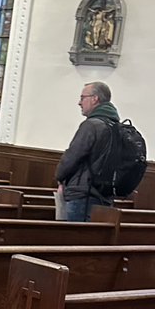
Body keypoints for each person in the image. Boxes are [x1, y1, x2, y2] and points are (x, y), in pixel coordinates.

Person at [55, 81, 120, 221]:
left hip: (83, 196)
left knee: (75, 240)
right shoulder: (116, 127)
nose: (79, 102)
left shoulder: (91, 125)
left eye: (82, 97)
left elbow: (72, 157)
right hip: (105, 196)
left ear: (95, 98)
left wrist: (59, 177)